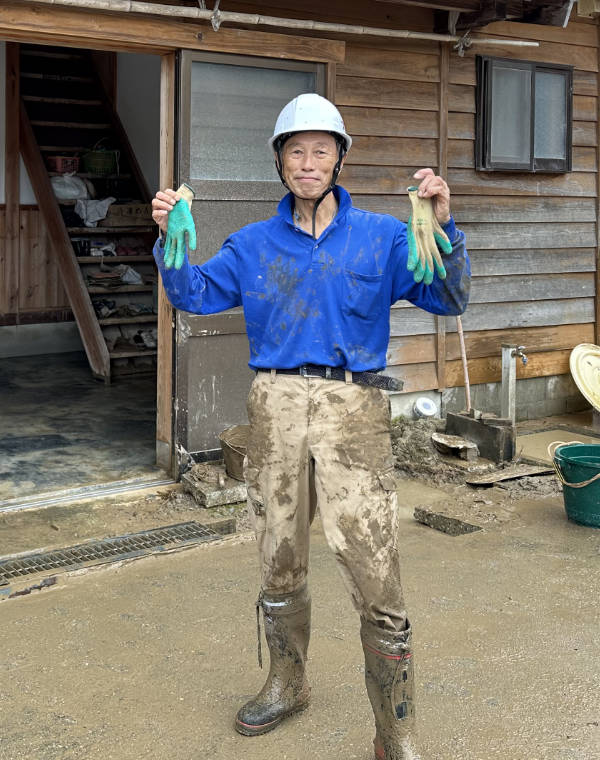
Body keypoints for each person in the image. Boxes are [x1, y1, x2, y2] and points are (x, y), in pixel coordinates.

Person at [150, 93, 469, 760]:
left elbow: (448, 295)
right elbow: (195, 295)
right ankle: (286, 683)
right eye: (296, 150)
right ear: (279, 162)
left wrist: (444, 227)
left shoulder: (383, 236)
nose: (308, 161)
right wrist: (171, 239)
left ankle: (397, 731)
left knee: (376, 571)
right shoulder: (253, 244)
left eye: (322, 149)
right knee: (280, 559)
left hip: (355, 411)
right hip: (276, 407)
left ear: (340, 159)